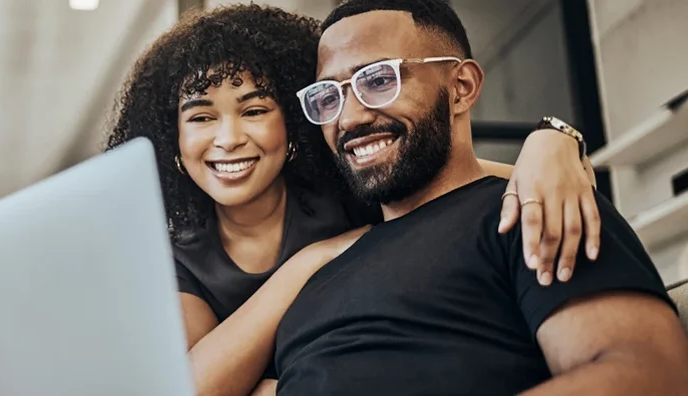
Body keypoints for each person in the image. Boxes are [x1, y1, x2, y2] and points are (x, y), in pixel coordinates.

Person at [105, 4, 600, 396]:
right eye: (201, 117)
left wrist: (554, 141)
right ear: (170, 140)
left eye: (254, 109)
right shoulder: (172, 254)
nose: (229, 138)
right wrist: (313, 261)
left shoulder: (351, 189)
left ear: (297, 125)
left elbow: (468, 185)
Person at [273, 0, 688, 394]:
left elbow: (648, 376)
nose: (349, 117)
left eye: (380, 80)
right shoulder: (315, 273)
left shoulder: (532, 208)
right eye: (328, 97)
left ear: (461, 87)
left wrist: (556, 139)